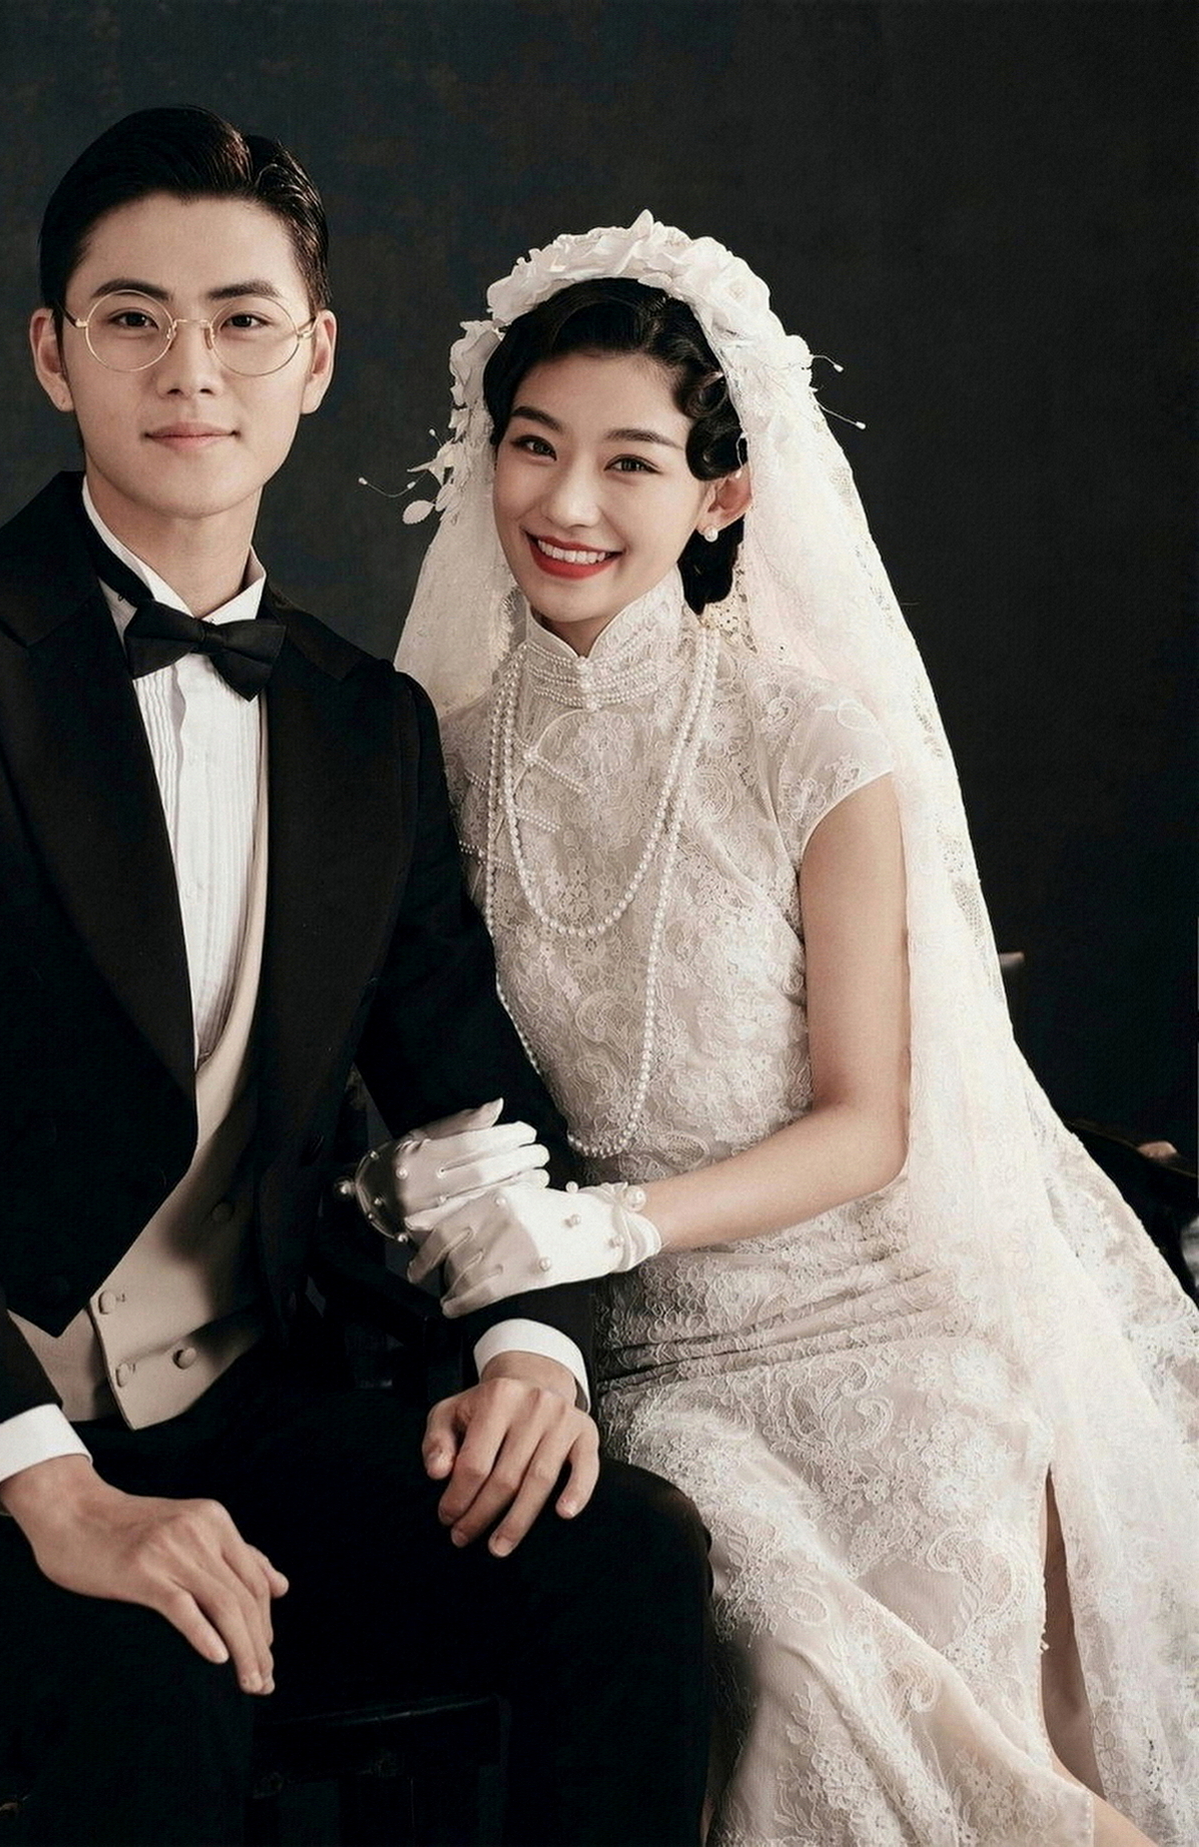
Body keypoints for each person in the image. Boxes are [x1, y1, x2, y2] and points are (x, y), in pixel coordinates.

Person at [0, 122, 717, 1847]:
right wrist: (50, 1485)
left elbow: (463, 1082)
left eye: (239, 319)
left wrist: (526, 1345)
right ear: (51, 353)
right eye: (131, 318)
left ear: (315, 356)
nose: (190, 369)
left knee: (624, 1558)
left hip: (232, 1409)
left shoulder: (365, 724)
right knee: (154, 1672)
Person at [391, 217, 1199, 1846]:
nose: (565, 502)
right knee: (787, 1670)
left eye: (630, 462)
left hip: (883, 1323)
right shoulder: (437, 757)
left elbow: (867, 1122)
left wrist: (615, 1215)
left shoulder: (810, 743)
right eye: (533, 446)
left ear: (721, 496)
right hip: (642, 1361)